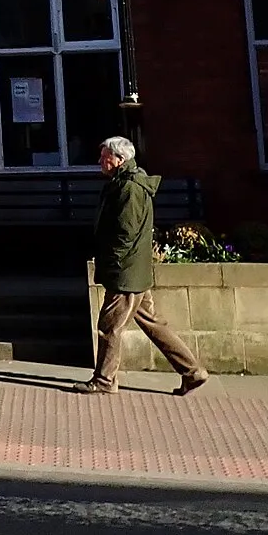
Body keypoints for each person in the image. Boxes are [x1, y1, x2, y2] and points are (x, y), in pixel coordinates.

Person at [75, 135, 209, 396]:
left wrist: (114, 263)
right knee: (153, 323)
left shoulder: (130, 189)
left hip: (126, 271)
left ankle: (104, 380)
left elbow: (125, 232)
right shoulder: (125, 183)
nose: (100, 162)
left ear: (120, 160)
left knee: (109, 327)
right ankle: (193, 372)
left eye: (105, 158)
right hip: (132, 269)